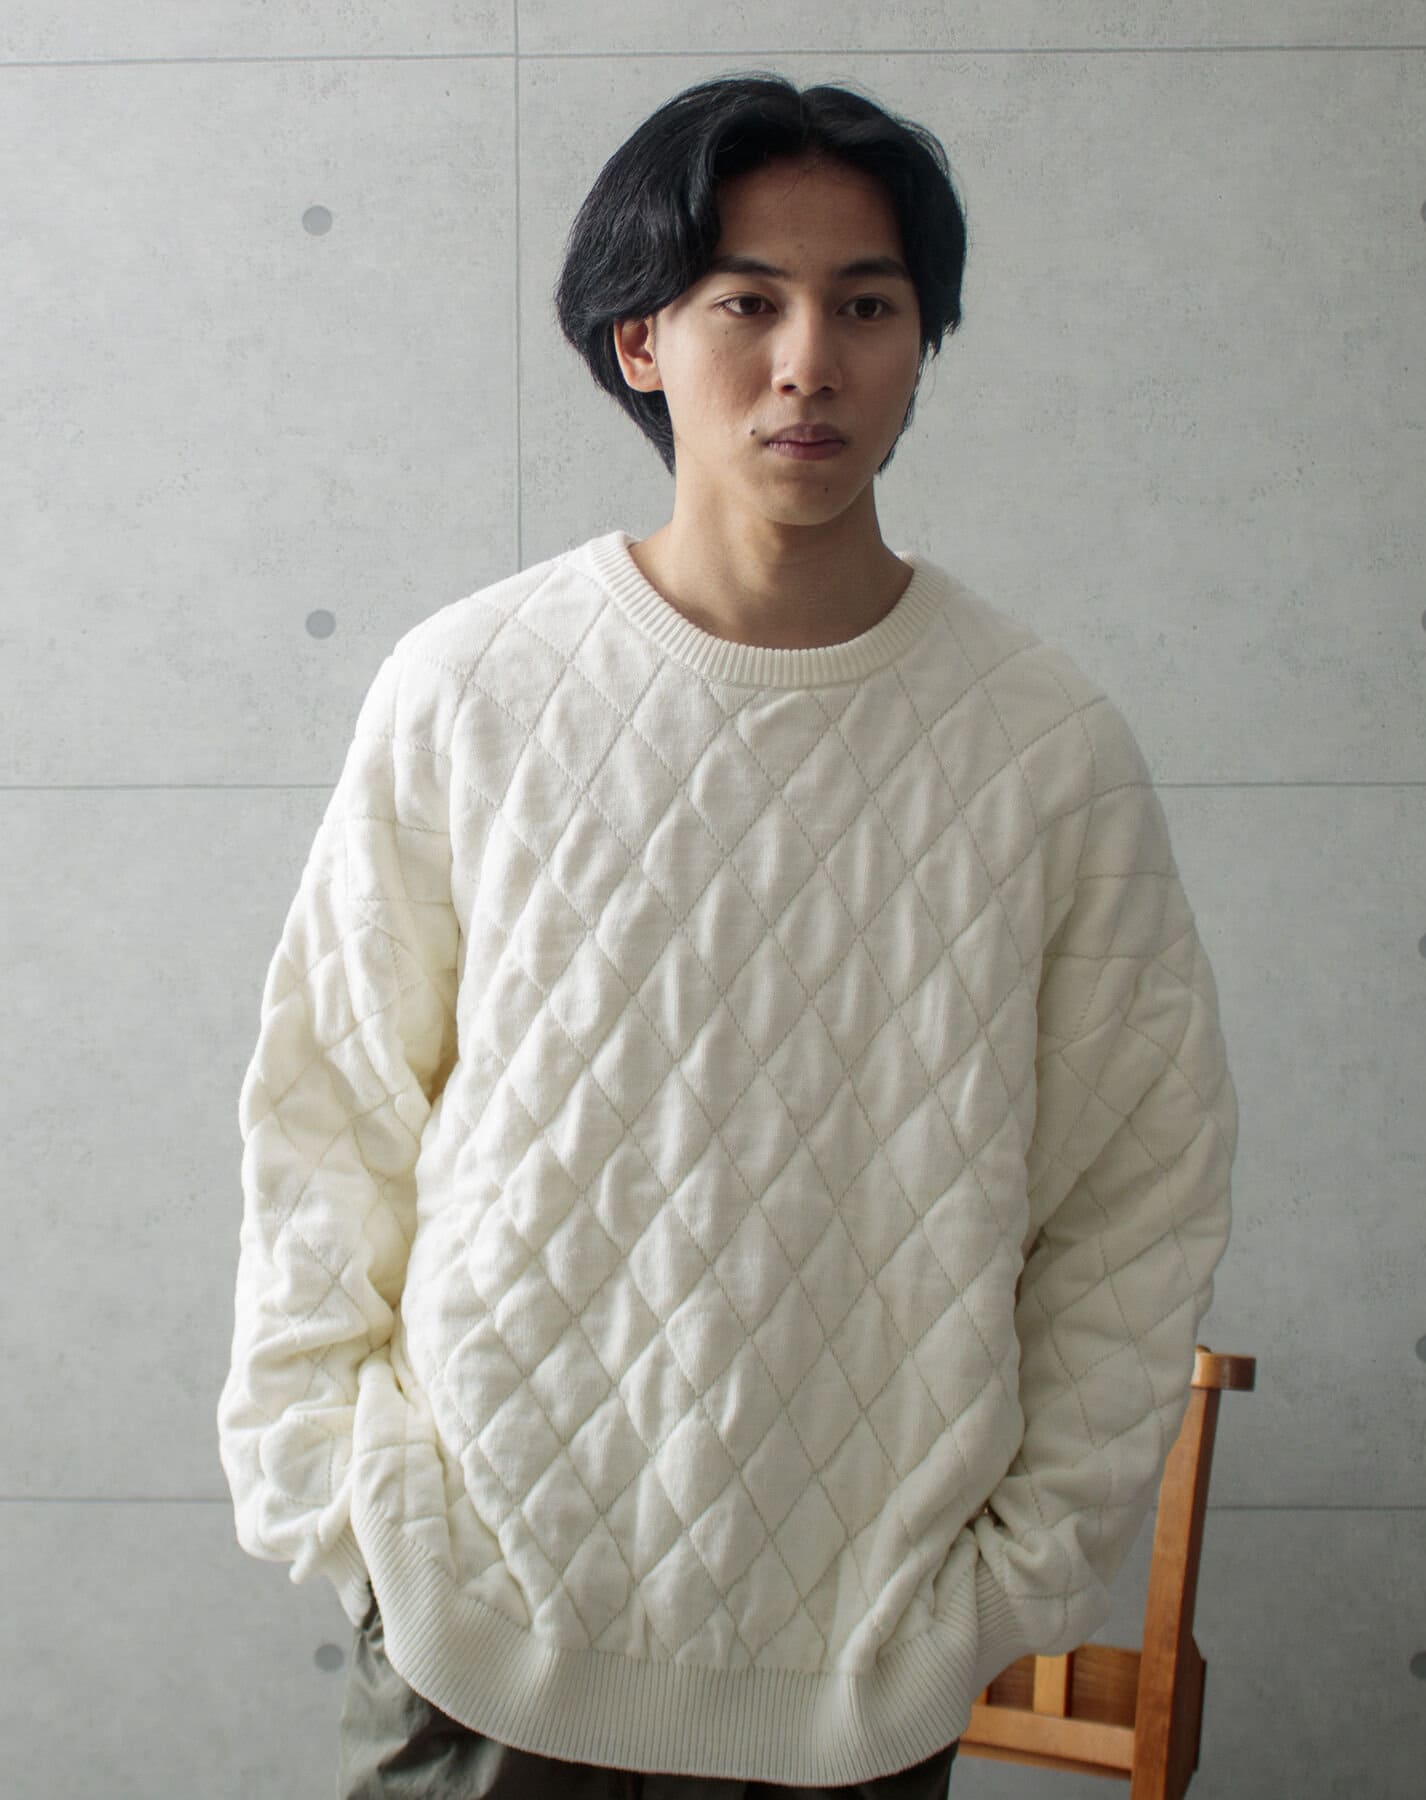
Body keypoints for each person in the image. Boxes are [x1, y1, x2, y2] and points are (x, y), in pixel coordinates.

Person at [216, 71, 1238, 1800]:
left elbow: (1140, 1189)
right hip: (477, 1625)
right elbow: (330, 1116)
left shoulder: (1043, 745)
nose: (807, 362)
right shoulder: (471, 686)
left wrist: (1014, 1578)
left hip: (858, 1666)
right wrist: (341, 1503)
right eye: (746, 303)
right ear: (640, 340)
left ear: (921, 346)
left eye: (868, 307)